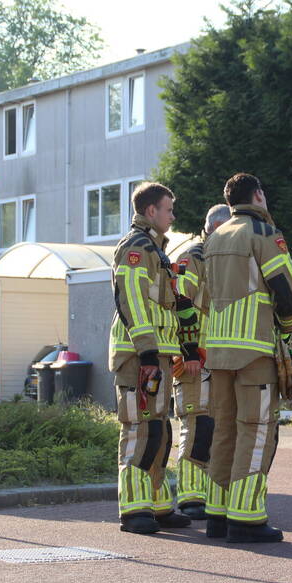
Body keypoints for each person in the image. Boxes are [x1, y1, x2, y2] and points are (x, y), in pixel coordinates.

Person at [201, 173, 292, 543]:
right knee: (256, 430)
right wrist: (288, 329)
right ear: (258, 195)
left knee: (223, 430)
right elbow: (284, 290)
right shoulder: (262, 233)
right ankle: (246, 518)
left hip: (219, 351)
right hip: (255, 350)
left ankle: (217, 514)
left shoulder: (214, 237)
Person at [108, 182, 197, 535]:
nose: (172, 216)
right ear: (150, 212)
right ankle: (134, 510)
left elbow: (166, 304)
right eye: (168, 209)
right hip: (138, 355)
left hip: (156, 355)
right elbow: (131, 300)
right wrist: (147, 352)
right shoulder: (136, 248)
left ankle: (158, 506)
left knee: (159, 430)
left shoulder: (155, 250)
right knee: (140, 430)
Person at [169, 203, 232, 520]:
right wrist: (189, 351)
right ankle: (191, 496)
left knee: (217, 428)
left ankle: (208, 493)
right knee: (198, 426)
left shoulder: (227, 259)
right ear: (211, 229)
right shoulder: (194, 257)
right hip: (197, 358)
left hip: (221, 359)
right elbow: (179, 302)